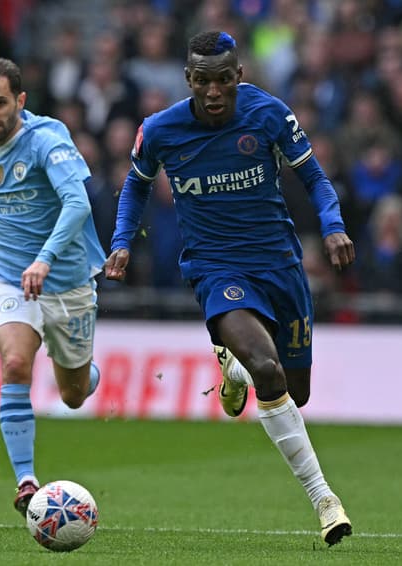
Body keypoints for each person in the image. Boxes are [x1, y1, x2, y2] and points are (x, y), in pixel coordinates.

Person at [105, 31, 355, 546]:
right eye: (203, 81)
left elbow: (315, 178)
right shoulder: (160, 129)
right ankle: (324, 499)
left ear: (238, 76)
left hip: (280, 267)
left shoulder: (269, 114)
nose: (213, 91)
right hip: (217, 269)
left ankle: (232, 366)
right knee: (270, 371)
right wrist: (122, 241)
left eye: (223, 80)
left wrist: (332, 225)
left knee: (292, 390)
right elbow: (135, 184)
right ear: (188, 80)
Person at [0, 56, 106, 518]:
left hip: (65, 281)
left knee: (73, 395)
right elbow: (0, 204)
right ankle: (26, 481)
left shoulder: (47, 140)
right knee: (16, 362)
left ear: (19, 99)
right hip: (10, 278)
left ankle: (89, 373)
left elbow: (76, 203)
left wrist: (45, 258)